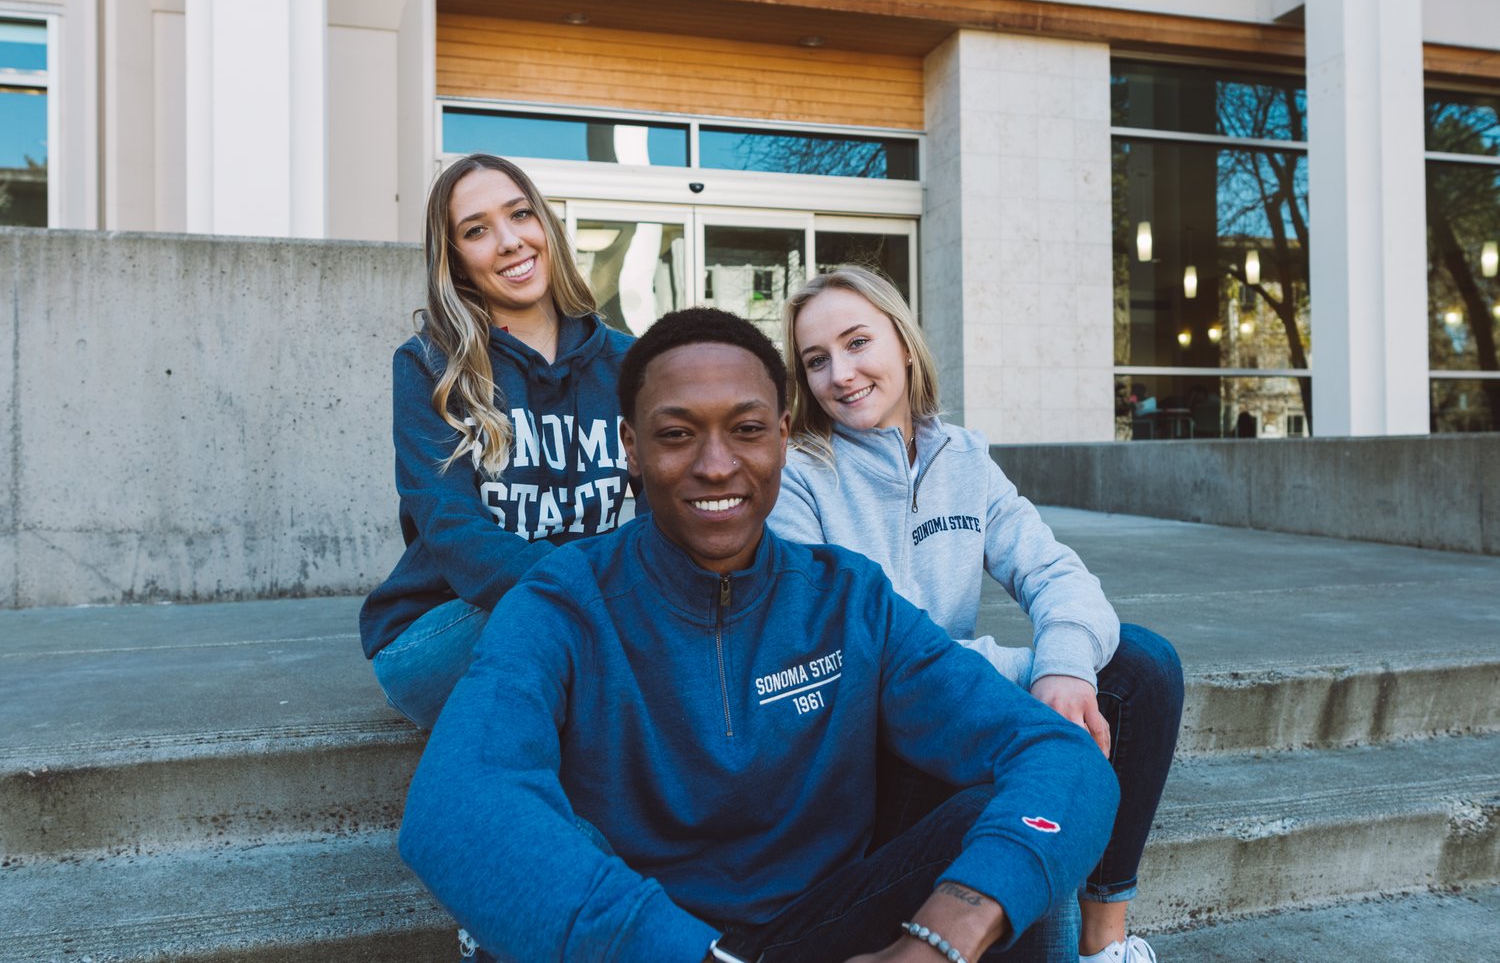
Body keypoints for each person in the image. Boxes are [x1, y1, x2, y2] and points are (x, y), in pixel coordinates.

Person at [399, 307, 1120, 963]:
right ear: (631, 446)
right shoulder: (563, 601)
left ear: (781, 435)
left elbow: (1057, 753)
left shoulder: (847, 596)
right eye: (678, 434)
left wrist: (946, 930)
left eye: (746, 429)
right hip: (652, 939)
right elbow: (455, 801)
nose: (717, 464)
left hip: (825, 925)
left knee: (1013, 849)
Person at [769, 268, 1183, 963]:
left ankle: (1104, 943)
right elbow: (869, 651)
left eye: (856, 342)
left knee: (1141, 666)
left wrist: (1062, 664)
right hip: (876, 741)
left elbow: (1055, 572)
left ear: (903, 342)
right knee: (1041, 747)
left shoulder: (961, 456)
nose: (840, 373)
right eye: (816, 360)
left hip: (960, 700)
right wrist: (1027, 673)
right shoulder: (798, 475)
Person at [360, 153, 636, 729]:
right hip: (451, 624)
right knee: (576, 635)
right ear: (456, 261)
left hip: (592, 607)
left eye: (520, 214)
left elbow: (666, 510)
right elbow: (451, 526)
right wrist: (594, 588)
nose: (510, 241)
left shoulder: (631, 364)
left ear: (547, 227)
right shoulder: (429, 367)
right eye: (477, 230)